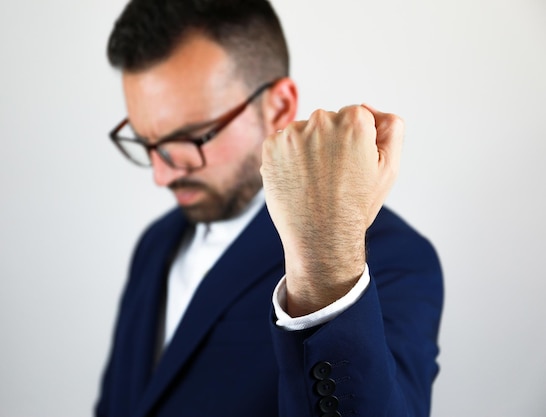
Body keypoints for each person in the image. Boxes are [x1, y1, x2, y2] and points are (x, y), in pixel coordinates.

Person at [96, 0, 443, 416]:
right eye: (146, 141)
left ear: (277, 106)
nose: (161, 176)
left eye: (191, 138)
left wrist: (326, 271)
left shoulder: (397, 258)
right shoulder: (156, 243)